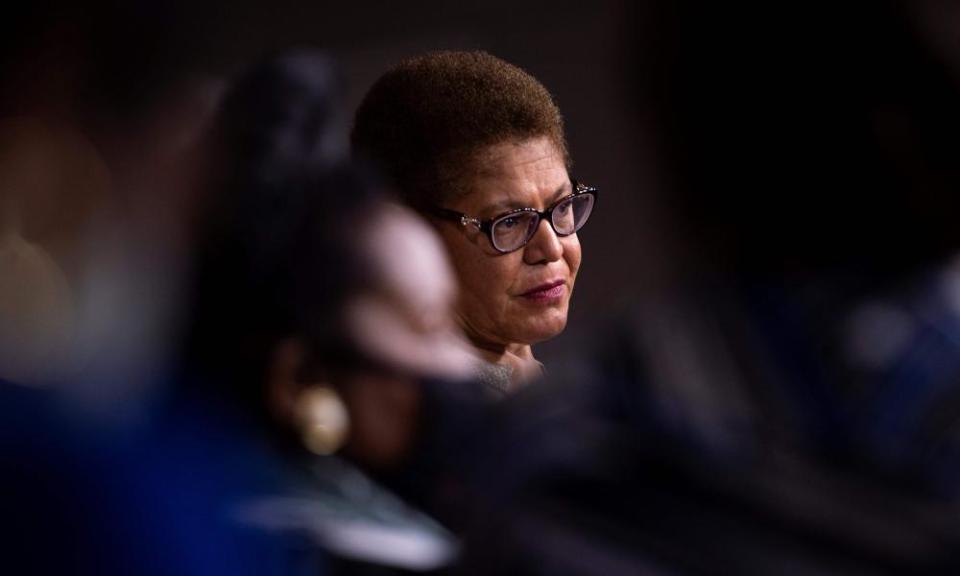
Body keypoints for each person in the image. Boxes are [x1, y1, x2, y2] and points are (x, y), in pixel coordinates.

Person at [351, 50, 597, 395]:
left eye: (561, 207)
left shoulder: (575, 400)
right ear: (413, 236)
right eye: (509, 222)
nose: (551, 248)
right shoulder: (423, 428)